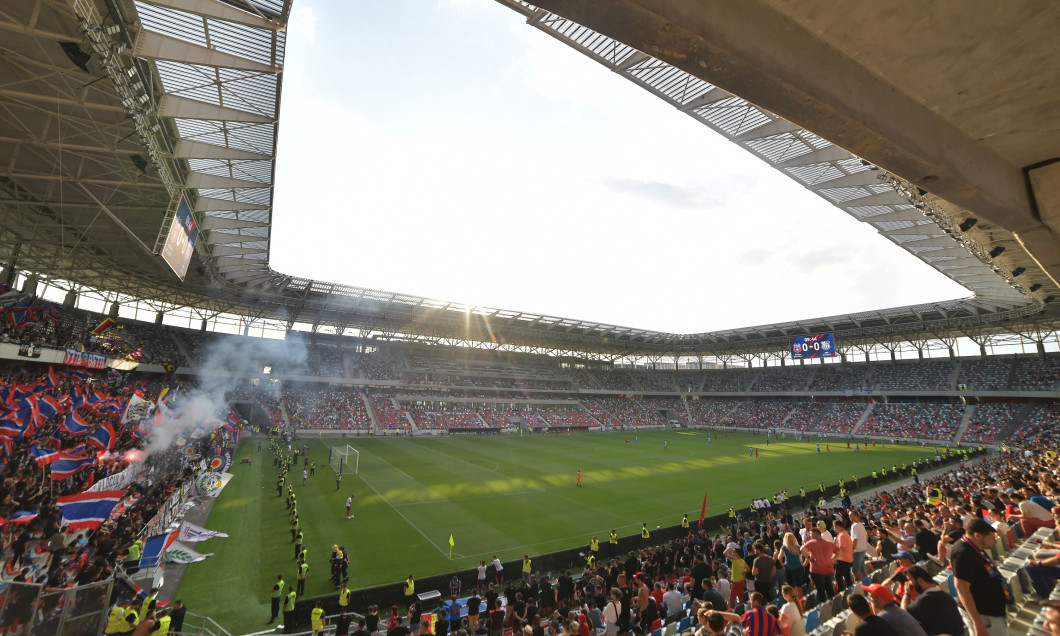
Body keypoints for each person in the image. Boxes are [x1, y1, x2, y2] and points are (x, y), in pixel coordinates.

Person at [951, 518, 1008, 636]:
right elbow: (962, 589)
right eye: (992, 537)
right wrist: (978, 623)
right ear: (977, 536)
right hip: (984, 615)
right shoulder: (962, 554)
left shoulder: (974, 547)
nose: (995, 541)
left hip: (992, 609)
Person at [900, 565, 965, 636]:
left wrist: (907, 593)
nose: (909, 584)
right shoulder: (945, 595)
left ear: (920, 580)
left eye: (910, 580)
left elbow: (905, 614)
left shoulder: (925, 599)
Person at [860, 583, 928, 636]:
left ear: (880, 600)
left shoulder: (883, 616)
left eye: (871, 597)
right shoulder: (896, 609)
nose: (869, 599)